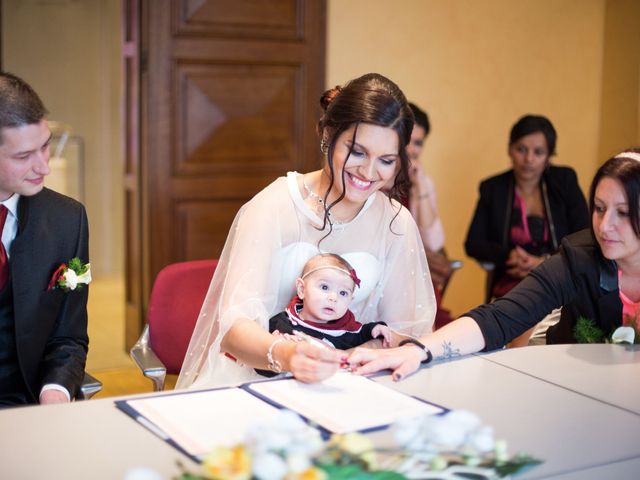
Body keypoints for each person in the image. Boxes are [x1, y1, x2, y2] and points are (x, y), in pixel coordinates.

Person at [176, 73, 436, 389]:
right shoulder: (274, 205)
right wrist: (286, 356)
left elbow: (408, 330)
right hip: (260, 378)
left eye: (386, 160)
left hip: (353, 381)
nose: (368, 173)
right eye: (357, 152)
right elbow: (234, 330)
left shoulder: (396, 222)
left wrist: (350, 356)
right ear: (328, 134)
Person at [347, 149, 640, 381]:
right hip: (568, 385)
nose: (605, 226)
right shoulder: (579, 258)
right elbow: (500, 317)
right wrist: (419, 350)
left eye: (623, 213)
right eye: (599, 209)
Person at [0, 72, 90, 406]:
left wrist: (56, 391)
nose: (44, 167)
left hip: (31, 402)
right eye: (24, 157)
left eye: (45, 146)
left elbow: (69, 336)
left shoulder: (68, 220)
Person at [464, 114, 589, 345]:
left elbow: (584, 235)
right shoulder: (494, 188)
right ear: (510, 149)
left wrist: (545, 262)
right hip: (511, 282)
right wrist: (508, 256)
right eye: (521, 149)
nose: (529, 159)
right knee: (520, 327)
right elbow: (473, 243)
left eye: (538, 152)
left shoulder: (564, 182)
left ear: (549, 156)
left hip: (558, 278)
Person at [266, 253, 393, 350]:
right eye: (324, 287)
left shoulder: (348, 330)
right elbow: (263, 363)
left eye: (343, 293)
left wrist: (376, 329)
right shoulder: (282, 324)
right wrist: (278, 349)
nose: (333, 298)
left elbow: (364, 334)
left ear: (350, 301)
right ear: (302, 289)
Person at [403, 103, 454, 328]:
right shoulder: (374, 180)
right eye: (406, 139)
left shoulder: (423, 183)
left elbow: (434, 243)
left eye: (418, 143)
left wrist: (420, 186)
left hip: (418, 280)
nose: (410, 149)